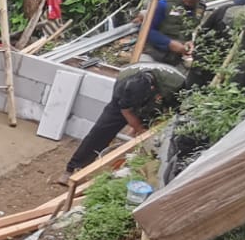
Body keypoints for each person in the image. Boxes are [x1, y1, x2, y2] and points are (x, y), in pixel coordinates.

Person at [55, 60, 188, 184]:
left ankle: (141, 169)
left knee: (156, 135)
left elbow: (172, 112)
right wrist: (138, 128)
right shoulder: (124, 84)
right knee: (102, 129)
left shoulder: (175, 85)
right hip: (128, 100)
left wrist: (148, 130)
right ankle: (73, 168)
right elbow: (125, 110)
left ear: (152, 89)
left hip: (164, 101)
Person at [141, 0, 209, 64]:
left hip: (179, 58)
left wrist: (189, 43)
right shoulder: (164, 4)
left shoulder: (200, 8)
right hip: (154, 54)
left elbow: (190, 30)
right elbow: (147, 31)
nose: (188, 0)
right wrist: (169, 43)